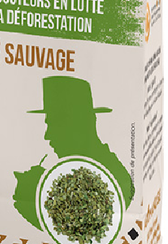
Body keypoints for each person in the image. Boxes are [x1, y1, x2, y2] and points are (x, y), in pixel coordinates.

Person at [13, 76, 134, 230]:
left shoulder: (116, 179)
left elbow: (75, 233)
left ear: (84, 123)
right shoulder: (67, 172)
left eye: (56, 125)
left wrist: (27, 196)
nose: (47, 136)